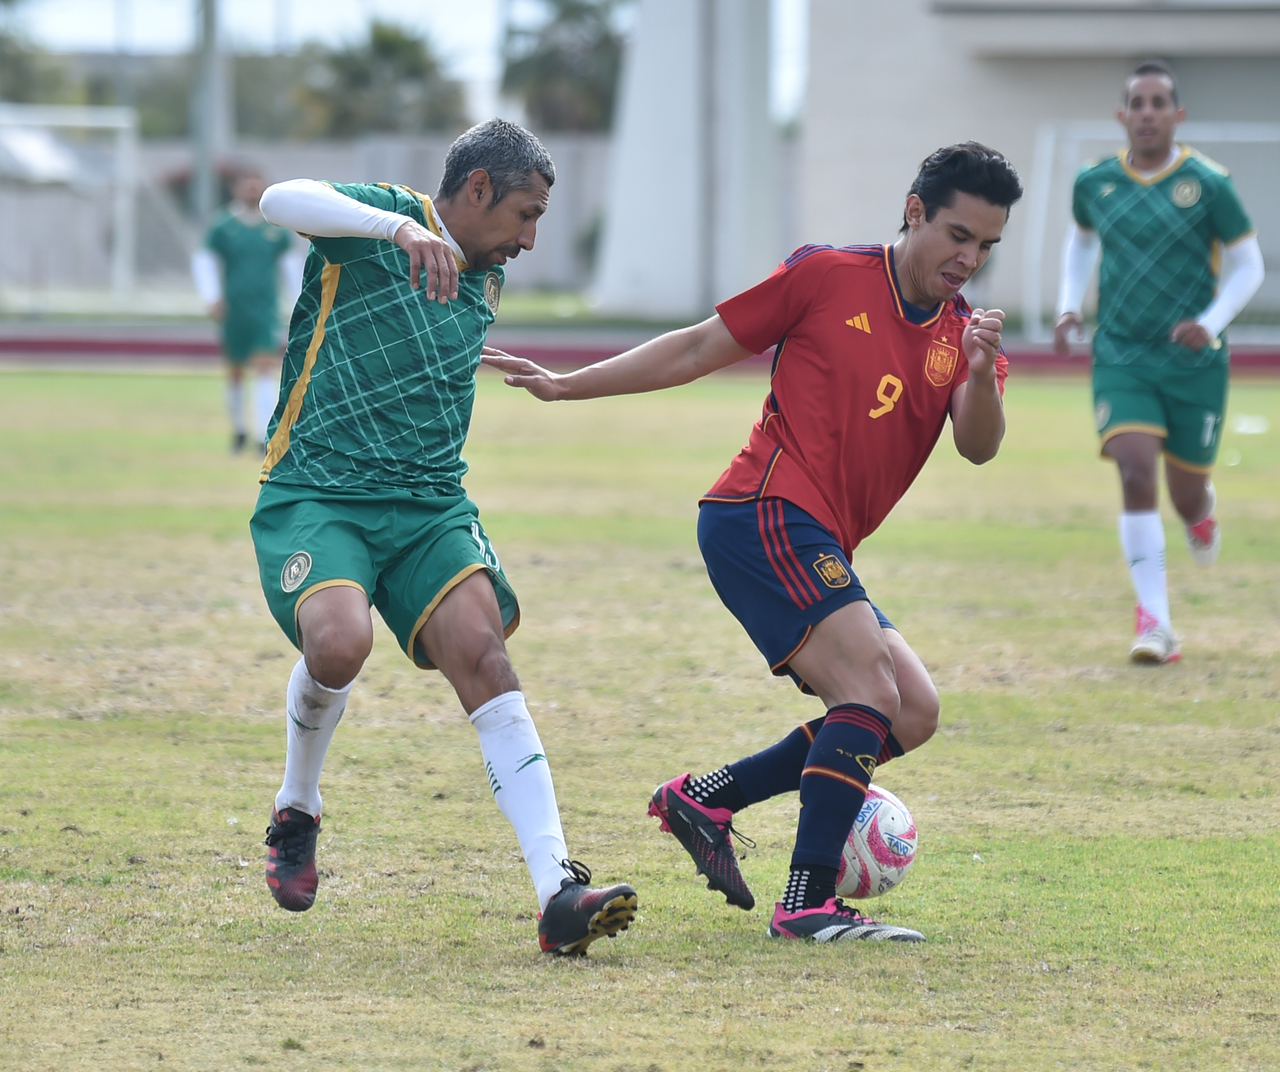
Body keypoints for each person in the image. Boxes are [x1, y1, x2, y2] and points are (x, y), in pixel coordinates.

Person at [485, 142, 1023, 943]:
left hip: (814, 536)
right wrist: (569, 384)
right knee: (869, 691)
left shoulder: (961, 336)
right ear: (915, 212)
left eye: (986, 246)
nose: (969, 259)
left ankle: (707, 798)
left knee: (911, 712)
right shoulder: (828, 275)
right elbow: (698, 347)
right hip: (762, 510)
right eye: (958, 235)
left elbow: (978, 447)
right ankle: (806, 903)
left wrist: (979, 373)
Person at [250, 119, 638, 956]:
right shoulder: (380, 222)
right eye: (526, 215)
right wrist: (397, 229)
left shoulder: (486, 274)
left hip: (429, 506)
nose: (530, 240)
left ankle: (558, 892)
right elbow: (280, 198)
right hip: (319, 492)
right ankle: (297, 808)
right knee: (339, 645)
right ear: (477, 189)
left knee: (487, 659)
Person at [1054, 60, 1265, 664]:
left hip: (1194, 363)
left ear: (1178, 115)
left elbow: (1248, 264)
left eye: (1158, 103)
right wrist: (1068, 305)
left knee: (1185, 493)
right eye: (1137, 103)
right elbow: (1081, 241)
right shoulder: (1094, 182)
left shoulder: (1209, 183)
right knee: (1135, 469)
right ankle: (1156, 623)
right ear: (1122, 115)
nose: (1147, 113)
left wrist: (1210, 323)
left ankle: (1201, 514)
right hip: (1121, 354)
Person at [191, 169, 302, 453]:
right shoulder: (223, 225)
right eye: (248, 187)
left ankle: (262, 434)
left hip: (264, 308)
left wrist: (299, 301)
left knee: (265, 366)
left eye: (257, 187)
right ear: (236, 190)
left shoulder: (276, 228)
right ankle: (238, 428)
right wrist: (212, 297)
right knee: (236, 369)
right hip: (234, 308)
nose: (253, 192)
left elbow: (291, 267)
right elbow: (205, 260)